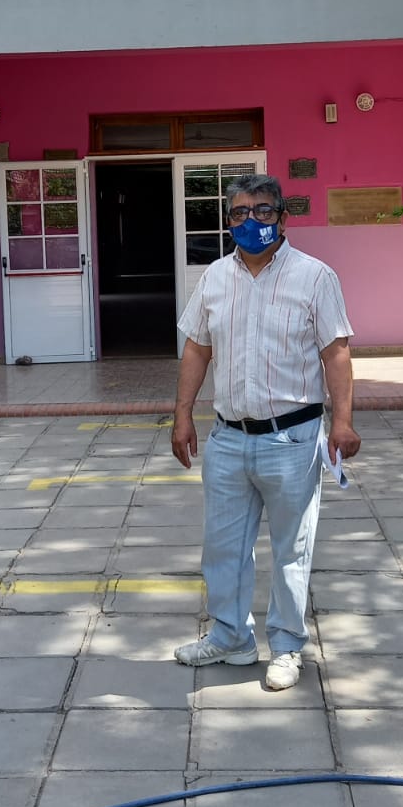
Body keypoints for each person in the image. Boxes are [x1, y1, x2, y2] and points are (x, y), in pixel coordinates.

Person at [171, 175, 361, 690]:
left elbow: (335, 352)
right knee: (223, 546)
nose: (250, 221)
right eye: (238, 213)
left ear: (281, 215)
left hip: (293, 438)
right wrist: (183, 413)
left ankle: (285, 646)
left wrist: (341, 422)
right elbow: (197, 349)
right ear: (228, 219)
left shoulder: (314, 277)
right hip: (229, 438)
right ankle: (230, 637)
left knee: (290, 549)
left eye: (261, 211)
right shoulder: (214, 277)